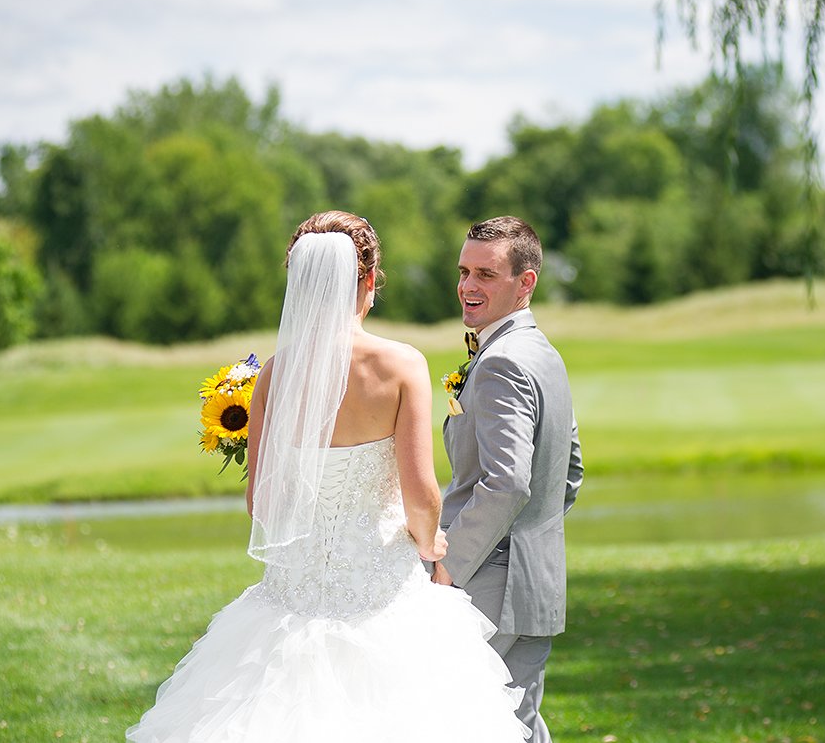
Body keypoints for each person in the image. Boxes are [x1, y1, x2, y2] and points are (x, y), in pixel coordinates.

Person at [127, 211, 529, 742]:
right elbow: (420, 493)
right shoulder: (400, 365)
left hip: (293, 589)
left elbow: (262, 505)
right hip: (380, 588)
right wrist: (431, 542)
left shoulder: (275, 372)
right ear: (368, 280)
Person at [433, 216, 584, 743]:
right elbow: (571, 471)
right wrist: (533, 541)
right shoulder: (544, 353)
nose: (468, 287)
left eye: (486, 275)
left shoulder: (501, 362)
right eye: (464, 271)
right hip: (535, 581)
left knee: (460, 724)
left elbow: (507, 483)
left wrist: (449, 567)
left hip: (486, 586)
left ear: (526, 282)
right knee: (516, 725)